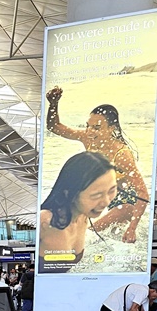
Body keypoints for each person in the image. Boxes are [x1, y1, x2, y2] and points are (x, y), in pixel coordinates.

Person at [46, 87, 149, 242]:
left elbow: (143, 193)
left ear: (111, 129)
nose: (89, 131)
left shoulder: (122, 154)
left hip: (126, 202)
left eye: (96, 128)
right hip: (102, 196)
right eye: (88, 125)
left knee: (88, 235)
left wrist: (132, 228)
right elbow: (54, 127)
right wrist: (53, 104)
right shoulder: (87, 138)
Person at [39, 151, 118, 271]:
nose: (106, 202)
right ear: (69, 193)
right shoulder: (44, 221)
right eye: (96, 195)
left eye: (112, 190)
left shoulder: (83, 217)